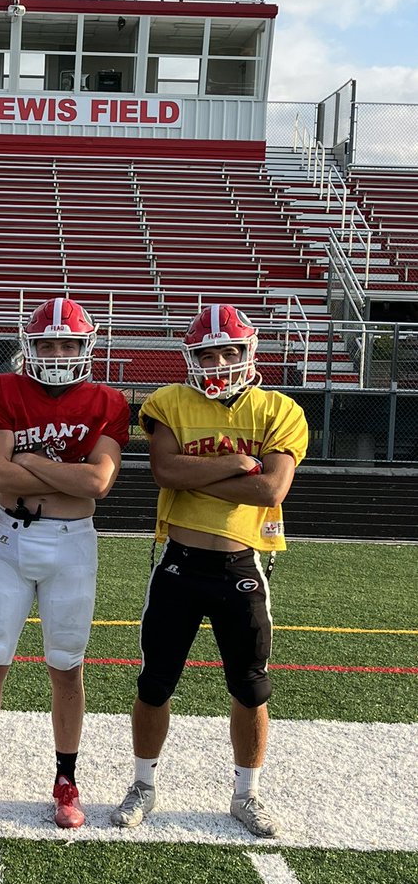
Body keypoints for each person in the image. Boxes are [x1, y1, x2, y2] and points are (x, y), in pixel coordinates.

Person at [111, 303, 308, 838]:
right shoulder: (170, 401)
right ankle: (144, 784)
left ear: (249, 352)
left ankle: (247, 794)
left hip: (242, 565)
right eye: (206, 352)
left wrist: (192, 477)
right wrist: (230, 464)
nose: (218, 360)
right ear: (190, 357)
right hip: (179, 563)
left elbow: (270, 488)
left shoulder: (279, 409)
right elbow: (163, 470)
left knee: (251, 688)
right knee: (154, 683)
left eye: (228, 350)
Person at [0, 297, 129, 828]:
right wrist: (58, 473)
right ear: (31, 347)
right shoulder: (3, 390)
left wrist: (32, 463)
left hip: (72, 543)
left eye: (68, 343)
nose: (59, 352)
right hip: (11, 540)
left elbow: (98, 484)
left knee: (67, 665)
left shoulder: (107, 400)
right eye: (48, 343)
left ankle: (67, 779)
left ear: (86, 347)